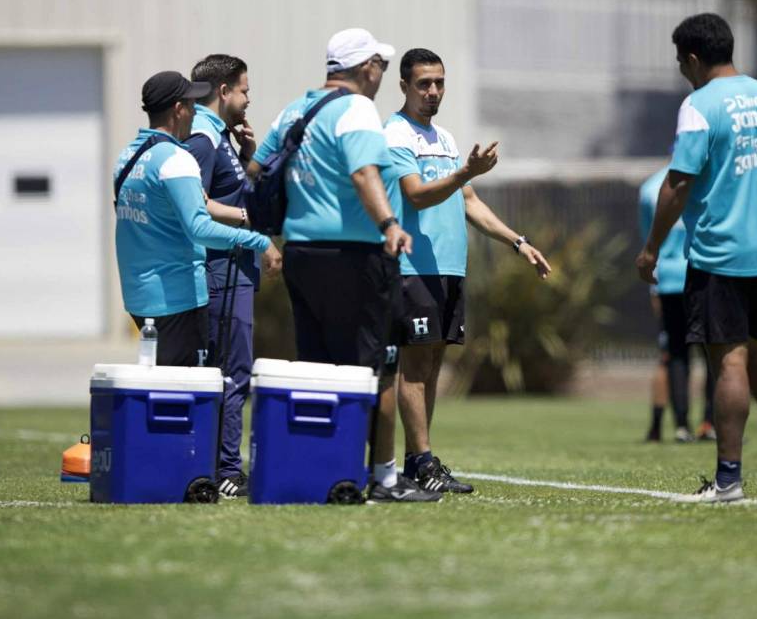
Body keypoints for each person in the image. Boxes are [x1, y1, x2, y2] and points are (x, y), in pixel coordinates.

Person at [635, 13, 757, 503]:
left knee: (729, 364)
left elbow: (677, 184)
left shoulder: (699, 105)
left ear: (692, 59)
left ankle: (727, 481)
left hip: (720, 252)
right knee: (754, 354)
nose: (682, 71)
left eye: (681, 63)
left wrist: (651, 247)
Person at [248, 28, 439, 504]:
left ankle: (324, 471)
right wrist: (390, 223)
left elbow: (257, 170)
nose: (380, 75)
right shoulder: (355, 109)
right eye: (379, 65)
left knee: (319, 369)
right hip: (353, 257)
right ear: (367, 67)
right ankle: (383, 479)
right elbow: (363, 172)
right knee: (376, 369)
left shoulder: (296, 109)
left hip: (302, 255)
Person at [385, 48, 551, 494]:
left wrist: (518, 242)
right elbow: (416, 195)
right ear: (403, 86)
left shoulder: (445, 138)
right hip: (412, 266)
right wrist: (464, 173)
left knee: (433, 363)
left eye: (439, 82)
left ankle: (418, 460)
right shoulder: (396, 134)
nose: (433, 91)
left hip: (448, 268)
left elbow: (469, 201)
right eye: (423, 83)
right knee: (416, 363)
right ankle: (420, 460)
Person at [114, 70, 274, 366]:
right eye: (192, 106)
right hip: (176, 298)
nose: (195, 112)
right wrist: (259, 241)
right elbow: (199, 228)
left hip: (140, 297)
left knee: (160, 387)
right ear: (179, 109)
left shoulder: (129, 156)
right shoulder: (176, 160)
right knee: (181, 396)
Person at [186, 54, 282, 500]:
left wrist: (248, 154)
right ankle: (225, 469)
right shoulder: (203, 138)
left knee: (230, 370)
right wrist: (250, 220)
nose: (248, 98)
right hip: (222, 272)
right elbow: (199, 204)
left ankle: (219, 464)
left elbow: (229, 188)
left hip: (234, 270)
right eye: (244, 90)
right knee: (231, 372)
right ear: (223, 91)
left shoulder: (222, 137)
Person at [638, 165, 715, 444]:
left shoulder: (650, 187)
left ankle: (681, 425)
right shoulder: (708, 178)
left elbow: (649, 238)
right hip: (704, 273)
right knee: (714, 351)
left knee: (676, 353)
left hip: (668, 277)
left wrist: (653, 283)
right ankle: (710, 422)